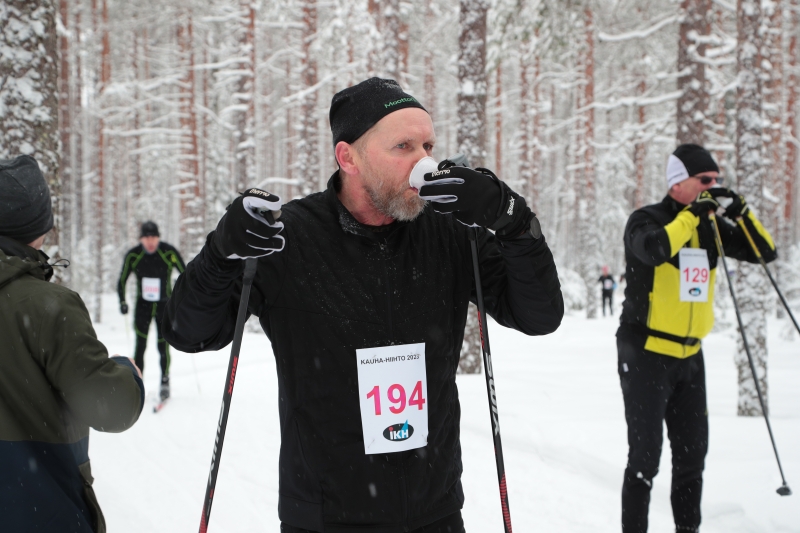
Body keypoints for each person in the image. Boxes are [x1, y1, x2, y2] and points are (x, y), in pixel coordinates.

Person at [164, 77, 563, 533]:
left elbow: (539, 315)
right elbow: (189, 331)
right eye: (403, 146)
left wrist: (513, 221)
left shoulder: (449, 232)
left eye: (428, 144)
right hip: (326, 515)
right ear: (347, 157)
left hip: (433, 512)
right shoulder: (290, 237)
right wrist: (220, 255)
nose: (424, 162)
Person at [616, 144, 777, 533]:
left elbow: (764, 252)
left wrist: (740, 212)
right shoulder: (646, 220)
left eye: (717, 181)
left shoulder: (710, 227)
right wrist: (691, 218)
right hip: (646, 354)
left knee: (691, 459)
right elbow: (654, 250)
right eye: (705, 180)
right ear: (678, 183)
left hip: (690, 358)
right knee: (645, 459)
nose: (712, 186)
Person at [0, 154, 145, 533]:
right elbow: (110, 407)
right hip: (42, 513)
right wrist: (128, 372)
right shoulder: (48, 306)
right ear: (39, 225)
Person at [118, 221, 185, 401]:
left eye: (153, 237)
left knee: (163, 346)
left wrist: (184, 299)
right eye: (146, 238)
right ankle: (137, 384)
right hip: (143, 307)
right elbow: (122, 279)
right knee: (140, 347)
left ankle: (165, 383)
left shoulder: (168, 252)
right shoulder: (134, 255)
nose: (150, 242)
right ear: (141, 239)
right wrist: (123, 301)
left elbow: (185, 274)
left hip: (164, 306)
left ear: (158, 237)